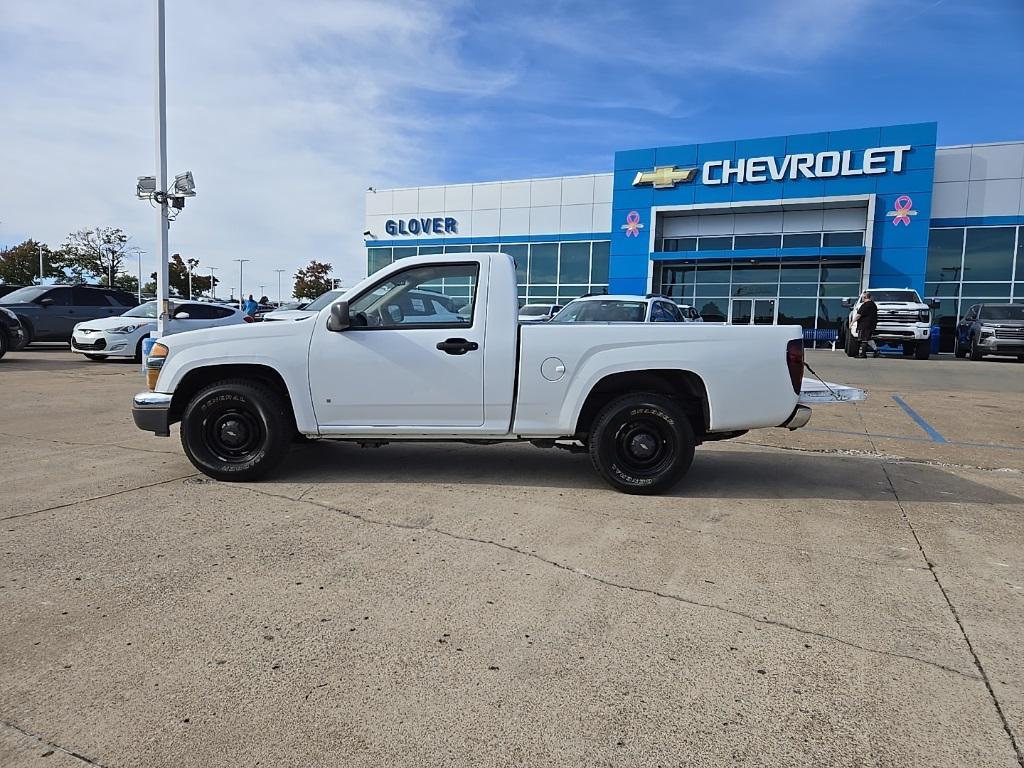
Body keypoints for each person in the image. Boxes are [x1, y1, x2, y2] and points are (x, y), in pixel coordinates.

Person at [854, 291, 879, 358]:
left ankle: (863, 354)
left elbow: (858, 315)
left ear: (865, 297)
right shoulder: (873, 305)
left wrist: (852, 322)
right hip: (871, 325)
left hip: (864, 325)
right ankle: (876, 350)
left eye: (862, 297)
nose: (862, 298)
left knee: (863, 339)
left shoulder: (865, 305)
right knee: (868, 339)